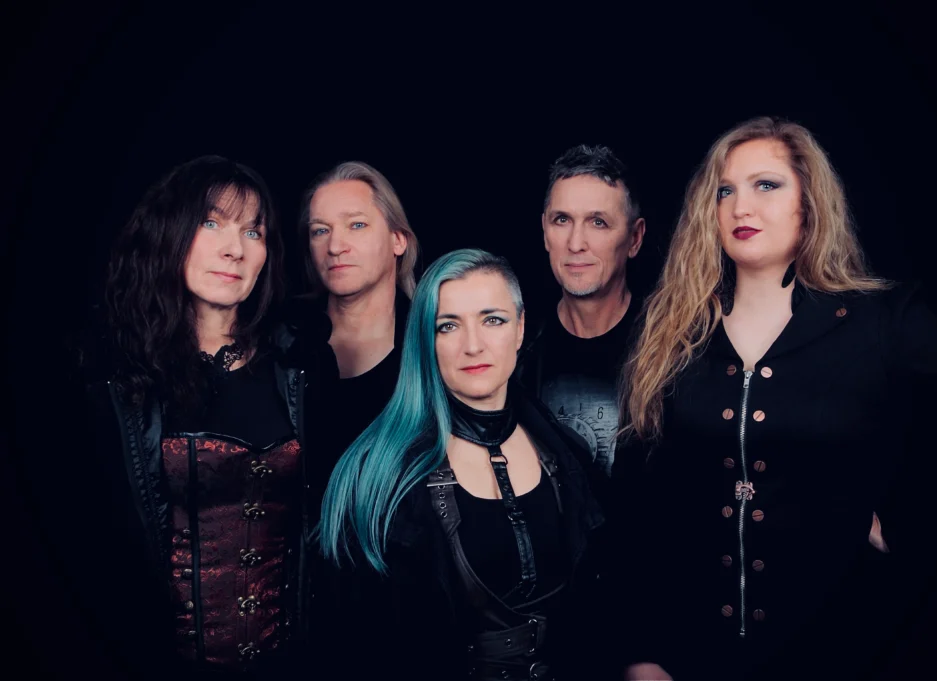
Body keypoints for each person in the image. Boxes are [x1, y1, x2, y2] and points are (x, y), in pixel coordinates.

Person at [613, 117, 937, 681]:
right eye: (725, 191)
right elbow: (635, 510)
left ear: (809, 203)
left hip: (844, 648)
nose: (741, 206)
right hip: (691, 654)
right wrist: (641, 655)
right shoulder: (673, 334)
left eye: (766, 185)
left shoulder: (880, 322)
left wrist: (907, 522)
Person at [74, 156, 334, 678]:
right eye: (211, 223)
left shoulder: (300, 366)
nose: (234, 248)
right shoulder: (114, 375)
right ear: (169, 233)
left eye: (253, 232)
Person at [316, 249, 609, 680]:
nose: (473, 345)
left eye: (493, 320)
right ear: (426, 340)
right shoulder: (372, 475)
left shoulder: (569, 458)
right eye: (448, 326)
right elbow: (355, 649)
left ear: (520, 328)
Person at [296, 161, 420, 513]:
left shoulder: (433, 341)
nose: (335, 246)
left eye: (357, 225)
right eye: (320, 230)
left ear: (398, 240)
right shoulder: (281, 337)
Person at [517, 144, 645, 477]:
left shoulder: (671, 348)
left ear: (634, 238)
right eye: (562, 220)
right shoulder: (516, 347)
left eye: (598, 223)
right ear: (545, 232)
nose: (575, 243)